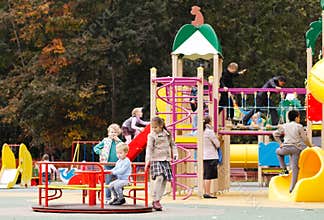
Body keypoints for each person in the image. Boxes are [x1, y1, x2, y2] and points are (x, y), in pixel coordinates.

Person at [272, 110, 313, 193]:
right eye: (299, 117)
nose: (299, 119)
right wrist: (310, 146)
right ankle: (292, 188)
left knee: (277, 152)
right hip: (296, 149)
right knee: (295, 168)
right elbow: (305, 139)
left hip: (286, 148)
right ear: (296, 118)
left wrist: (280, 144)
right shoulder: (299, 126)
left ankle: (284, 169)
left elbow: (275, 134)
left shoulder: (284, 126)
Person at [145, 116, 178, 211]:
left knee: (164, 180)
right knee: (159, 177)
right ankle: (154, 198)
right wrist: (147, 160)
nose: (153, 129)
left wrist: (175, 153)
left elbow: (173, 144)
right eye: (152, 127)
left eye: (155, 127)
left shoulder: (167, 134)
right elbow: (149, 148)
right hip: (155, 159)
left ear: (161, 126)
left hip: (166, 159)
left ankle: (158, 200)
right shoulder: (151, 135)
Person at [93, 123, 122, 204]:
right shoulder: (105, 140)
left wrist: (118, 141)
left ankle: (119, 197)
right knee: (108, 182)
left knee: (119, 182)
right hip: (107, 164)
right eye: (111, 132)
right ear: (108, 133)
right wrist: (100, 152)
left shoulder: (119, 142)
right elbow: (96, 148)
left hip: (117, 165)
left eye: (115, 132)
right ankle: (107, 198)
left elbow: (124, 148)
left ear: (118, 133)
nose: (113, 134)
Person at [203, 116, 220, 199]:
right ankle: (207, 192)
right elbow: (217, 144)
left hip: (204, 155)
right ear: (209, 122)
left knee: (206, 174)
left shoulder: (201, 131)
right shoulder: (209, 132)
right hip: (211, 155)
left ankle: (206, 191)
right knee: (208, 176)